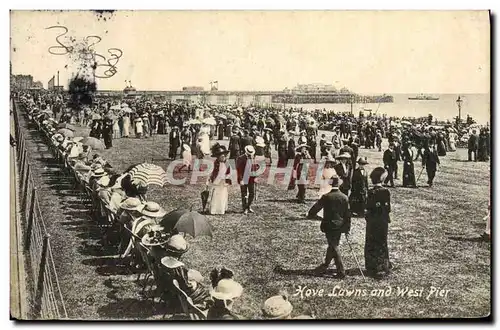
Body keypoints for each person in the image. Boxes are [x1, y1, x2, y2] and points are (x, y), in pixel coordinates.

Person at [307, 174, 350, 278]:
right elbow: (348, 215)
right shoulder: (344, 197)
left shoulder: (326, 197)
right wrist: (347, 229)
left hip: (329, 226)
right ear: (339, 184)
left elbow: (313, 210)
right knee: (333, 245)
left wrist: (316, 217)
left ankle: (341, 271)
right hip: (340, 226)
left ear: (330, 184)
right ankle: (325, 266)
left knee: (334, 246)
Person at [365, 167, 393, 278]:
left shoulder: (370, 191)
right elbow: (388, 208)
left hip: (372, 221)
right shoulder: (385, 192)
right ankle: (382, 266)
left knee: (371, 242)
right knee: (381, 242)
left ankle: (371, 265)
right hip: (382, 221)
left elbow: (368, 207)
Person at [206, 144, 231, 215]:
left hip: (223, 181)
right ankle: (214, 209)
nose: (223, 157)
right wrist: (210, 178)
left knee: (223, 195)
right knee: (216, 194)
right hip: (216, 181)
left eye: (223, 156)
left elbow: (229, 173)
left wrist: (227, 180)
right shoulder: (216, 163)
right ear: (217, 157)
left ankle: (221, 209)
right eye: (221, 156)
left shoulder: (227, 163)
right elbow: (213, 172)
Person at [236, 145, 258, 214]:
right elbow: (239, 170)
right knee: (244, 194)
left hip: (251, 178)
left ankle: (248, 206)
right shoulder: (240, 158)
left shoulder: (253, 157)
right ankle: (244, 208)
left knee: (252, 193)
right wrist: (241, 179)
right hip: (243, 178)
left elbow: (255, 168)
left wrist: (256, 177)